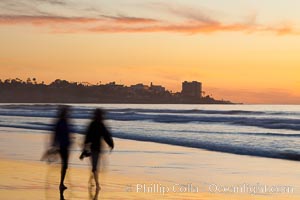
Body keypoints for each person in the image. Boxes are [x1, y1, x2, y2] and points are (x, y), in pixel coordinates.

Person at [81, 108, 114, 190]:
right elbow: (106, 135)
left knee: (96, 166)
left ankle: (92, 180)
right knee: (95, 167)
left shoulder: (94, 124)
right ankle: (97, 184)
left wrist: (110, 144)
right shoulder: (100, 124)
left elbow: (88, 137)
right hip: (95, 148)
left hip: (96, 148)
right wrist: (111, 144)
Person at [52, 106, 72, 191]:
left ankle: (61, 183)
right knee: (65, 165)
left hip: (63, 146)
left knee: (64, 165)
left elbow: (56, 135)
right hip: (63, 146)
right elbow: (58, 135)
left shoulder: (61, 122)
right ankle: (61, 183)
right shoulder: (63, 122)